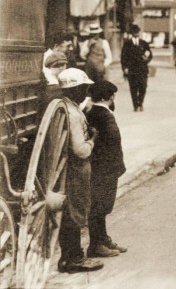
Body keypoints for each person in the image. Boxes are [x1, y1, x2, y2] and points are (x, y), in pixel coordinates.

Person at [56, 68, 103, 274]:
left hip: (64, 168)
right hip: (77, 169)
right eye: (84, 88)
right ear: (75, 89)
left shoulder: (61, 107)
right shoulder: (74, 113)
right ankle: (75, 258)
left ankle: (67, 258)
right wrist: (93, 140)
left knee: (68, 213)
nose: (86, 92)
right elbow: (81, 150)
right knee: (75, 213)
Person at [86, 80, 127, 257]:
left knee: (100, 206)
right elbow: (112, 141)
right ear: (107, 97)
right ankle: (96, 245)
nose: (114, 98)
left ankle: (102, 239)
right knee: (99, 207)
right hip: (105, 169)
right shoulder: (104, 115)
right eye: (112, 95)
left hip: (100, 167)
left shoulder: (91, 113)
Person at [121, 24, 153, 112]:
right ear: (132, 33)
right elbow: (123, 57)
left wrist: (147, 59)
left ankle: (140, 103)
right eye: (135, 32)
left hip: (142, 69)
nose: (136, 33)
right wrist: (125, 68)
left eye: (137, 31)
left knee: (143, 86)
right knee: (133, 88)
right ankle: (135, 105)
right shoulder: (127, 44)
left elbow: (150, 55)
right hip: (132, 70)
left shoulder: (144, 43)